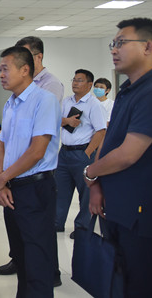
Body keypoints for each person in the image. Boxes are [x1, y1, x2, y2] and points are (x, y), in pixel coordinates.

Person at [84, 18, 152, 298]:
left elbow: (128, 154)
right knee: (118, 284)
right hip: (118, 208)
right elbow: (110, 139)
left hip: (143, 217)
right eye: (113, 43)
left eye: (121, 43)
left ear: (148, 47)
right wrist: (96, 185)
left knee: (140, 287)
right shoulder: (128, 90)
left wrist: (91, 172)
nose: (114, 49)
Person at [0, 46, 61, 298]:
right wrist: (1, 181)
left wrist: (2, 178)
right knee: (21, 257)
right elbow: (3, 145)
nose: (1, 74)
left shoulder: (44, 100)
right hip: (13, 189)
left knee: (37, 260)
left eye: (5, 69)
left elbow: (37, 151)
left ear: (25, 70)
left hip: (35, 188)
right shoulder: (10, 104)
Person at [55, 69, 106, 239]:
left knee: (85, 193)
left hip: (82, 153)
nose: (75, 83)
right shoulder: (66, 101)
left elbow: (101, 131)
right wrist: (67, 121)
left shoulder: (94, 104)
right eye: (74, 79)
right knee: (60, 190)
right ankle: (57, 222)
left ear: (89, 85)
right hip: (64, 152)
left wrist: (88, 152)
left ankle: (82, 227)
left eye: (80, 80)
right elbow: (56, 120)